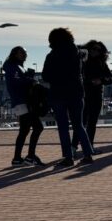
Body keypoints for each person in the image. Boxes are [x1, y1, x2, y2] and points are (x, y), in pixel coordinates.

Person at [42, 27, 95, 168]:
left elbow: (45, 76)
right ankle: (88, 154)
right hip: (76, 92)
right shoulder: (77, 53)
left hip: (58, 93)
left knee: (63, 127)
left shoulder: (52, 56)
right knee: (79, 125)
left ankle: (68, 157)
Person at [3, 46, 44, 166]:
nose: (24, 55)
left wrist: (28, 77)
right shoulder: (12, 66)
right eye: (21, 53)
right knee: (38, 127)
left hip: (21, 102)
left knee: (24, 130)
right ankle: (30, 157)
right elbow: (17, 82)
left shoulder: (16, 66)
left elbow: (19, 80)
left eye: (25, 53)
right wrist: (30, 80)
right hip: (22, 102)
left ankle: (17, 158)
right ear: (14, 54)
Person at [77, 40, 112, 152]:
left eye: (98, 50)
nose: (95, 51)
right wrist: (89, 81)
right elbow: (78, 77)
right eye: (93, 49)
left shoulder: (101, 62)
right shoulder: (82, 61)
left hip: (97, 95)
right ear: (88, 49)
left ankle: (89, 146)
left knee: (92, 122)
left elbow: (110, 78)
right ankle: (74, 146)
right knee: (81, 122)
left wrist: (101, 80)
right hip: (83, 95)